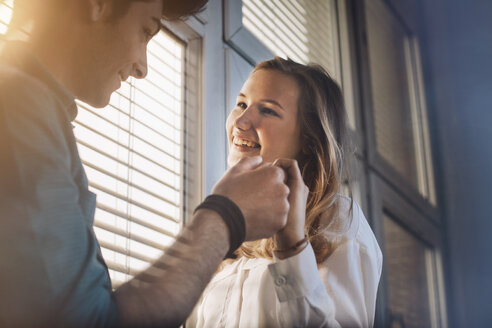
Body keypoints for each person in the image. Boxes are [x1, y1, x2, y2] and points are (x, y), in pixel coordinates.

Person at [0, 1, 297, 327]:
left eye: (269, 110)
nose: (142, 67)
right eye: (145, 31)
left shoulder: (39, 119)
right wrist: (226, 217)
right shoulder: (18, 110)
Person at [189, 57, 383, 327]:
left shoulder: (338, 221)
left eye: (268, 111)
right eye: (242, 104)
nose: (241, 122)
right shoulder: (224, 234)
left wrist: (292, 248)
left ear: (308, 139)